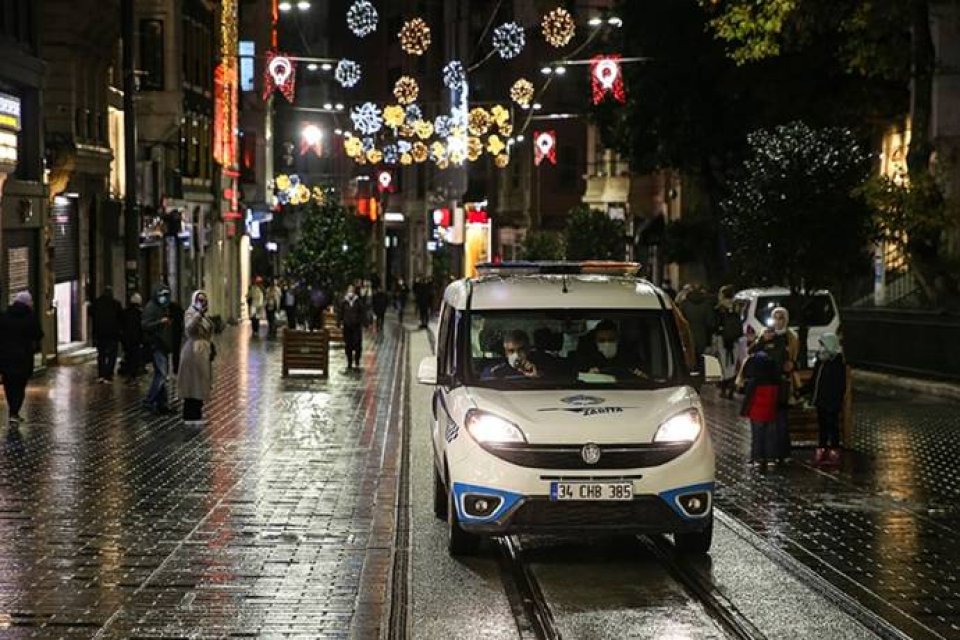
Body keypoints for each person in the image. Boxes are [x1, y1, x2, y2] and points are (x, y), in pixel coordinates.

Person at [749, 308, 799, 464]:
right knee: (765, 422)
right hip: (765, 385)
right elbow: (752, 353)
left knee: (781, 420)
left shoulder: (791, 337)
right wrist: (763, 340)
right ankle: (765, 454)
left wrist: (792, 364)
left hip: (782, 383)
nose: (778, 321)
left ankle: (782, 453)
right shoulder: (765, 335)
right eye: (775, 318)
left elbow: (795, 357)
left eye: (781, 318)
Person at [798, 333, 847, 466]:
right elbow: (815, 380)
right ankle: (822, 449)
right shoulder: (820, 361)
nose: (820, 347)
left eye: (822, 344)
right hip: (821, 400)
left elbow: (840, 384)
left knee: (833, 426)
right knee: (823, 426)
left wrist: (838, 399)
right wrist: (802, 391)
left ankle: (834, 451)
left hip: (832, 400)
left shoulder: (837, 362)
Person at [0, 291, 43, 427]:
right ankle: (14, 411)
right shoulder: (30, 317)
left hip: (5, 357)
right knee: (20, 385)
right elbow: (38, 334)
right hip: (23, 357)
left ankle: (12, 409)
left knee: (8, 384)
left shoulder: (4, 316)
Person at [738, 349, 781, 471]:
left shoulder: (754, 382)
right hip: (770, 412)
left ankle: (757, 459)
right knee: (770, 437)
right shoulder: (775, 381)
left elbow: (748, 398)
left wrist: (744, 411)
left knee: (757, 437)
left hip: (756, 413)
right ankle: (770, 460)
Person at [177, 290, 215, 426]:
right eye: (199, 300)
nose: (202, 302)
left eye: (204, 300)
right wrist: (198, 314)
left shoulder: (205, 315)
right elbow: (189, 329)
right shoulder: (190, 313)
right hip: (193, 352)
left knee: (201, 383)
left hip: (203, 352)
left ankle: (197, 414)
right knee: (192, 384)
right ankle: (190, 415)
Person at [142, 284, 174, 415]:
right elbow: (145, 325)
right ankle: (149, 401)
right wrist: (160, 322)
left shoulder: (163, 307)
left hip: (163, 345)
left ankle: (162, 404)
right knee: (161, 374)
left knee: (161, 373)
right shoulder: (151, 307)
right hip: (156, 345)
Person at [576, 320, 647, 379]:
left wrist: (642, 376)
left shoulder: (630, 357)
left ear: (618, 340)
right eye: (602, 340)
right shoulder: (586, 359)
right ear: (595, 342)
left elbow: (646, 377)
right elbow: (576, 380)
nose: (607, 344)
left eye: (611, 340)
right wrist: (588, 376)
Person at [712, 285, 742, 399]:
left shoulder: (719, 308)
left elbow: (714, 324)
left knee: (723, 365)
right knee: (733, 365)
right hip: (734, 340)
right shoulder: (736, 307)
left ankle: (724, 389)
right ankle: (731, 389)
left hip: (722, 339)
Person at [481, 330, 548, 380]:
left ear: (527, 350)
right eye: (511, 351)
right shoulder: (494, 370)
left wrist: (536, 377)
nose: (516, 354)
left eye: (520, 350)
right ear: (506, 353)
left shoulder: (541, 366)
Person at [91, 286, 123, 383]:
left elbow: (92, 315)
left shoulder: (97, 303)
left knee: (101, 354)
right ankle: (108, 375)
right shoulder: (116, 304)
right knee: (112, 355)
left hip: (100, 333)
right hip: (113, 333)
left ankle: (101, 374)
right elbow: (121, 318)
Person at [679, 284, 715, 360]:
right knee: (701, 358)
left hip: (687, 335)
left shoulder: (684, 304)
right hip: (702, 335)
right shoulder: (706, 304)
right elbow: (710, 322)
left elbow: (680, 321)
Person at [339, 285, 366, 370]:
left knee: (357, 344)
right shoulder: (344, 302)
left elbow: (362, 312)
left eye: (352, 290)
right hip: (347, 327)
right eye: (349, 290)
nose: (350, 292)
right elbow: (341, 313)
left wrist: (364, 322)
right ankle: (349, 362)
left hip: (356, 327)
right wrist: (339, 322)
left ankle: (357, 360)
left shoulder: (358, 301)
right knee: (348, 345)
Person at [119, 293, 145, 380]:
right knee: (135, 356)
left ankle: (129, 371)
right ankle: (133, 373)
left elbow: (121, 325)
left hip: (126, 339)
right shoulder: (140, 313)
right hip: (136, 339)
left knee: (128, 354)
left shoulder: (125, 312)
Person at [168, 297, 185, 374]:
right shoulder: (180, 313)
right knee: (176, 352)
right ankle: (176, 368)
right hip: (178, 334)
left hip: (173, 334)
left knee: (173, 352)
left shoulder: (172, 315)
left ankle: (174, 368)